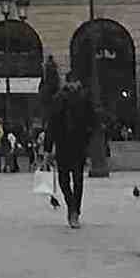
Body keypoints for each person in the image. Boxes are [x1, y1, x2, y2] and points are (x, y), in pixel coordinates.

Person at [52, 84, 100, 224]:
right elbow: (93, 123)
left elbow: (51, 125)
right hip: (73, 145)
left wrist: (48, 147)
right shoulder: (76, 99)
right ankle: (74, 209)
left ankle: (72, 207)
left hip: (67, 145)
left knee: (68, 179)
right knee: (73, 180)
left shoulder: (67, 99)